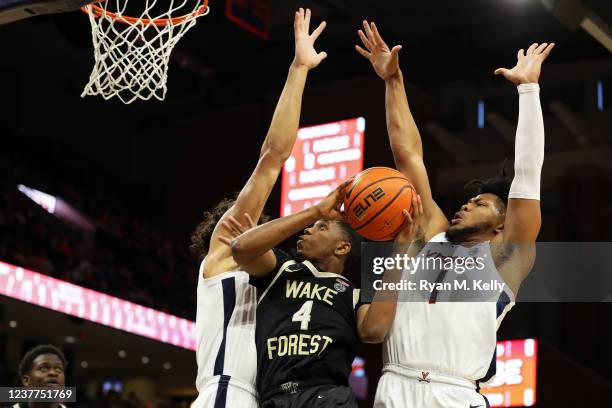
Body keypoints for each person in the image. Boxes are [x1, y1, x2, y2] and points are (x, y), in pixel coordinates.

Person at [355, 20, 553, 407]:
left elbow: (528, 173)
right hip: (395, 383)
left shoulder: (506, 258)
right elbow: (407, 154)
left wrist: (528, 89)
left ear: (500, 226)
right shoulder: (430, 233)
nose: (465, 205)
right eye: (467, 201)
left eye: (480, 204)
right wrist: (392, 82)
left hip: (456, 393)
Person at [189, 8, 329, 408]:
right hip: (225, 392)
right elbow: (273, 156)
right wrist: (299, 69)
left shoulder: (271, 278)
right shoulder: (224, 254)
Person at [230, 179, 425, 407]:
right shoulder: (281, 269)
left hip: (328, 396)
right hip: (274, 397)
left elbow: (374, 331)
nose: (308, 229)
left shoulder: (354, 294)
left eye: (321, 227)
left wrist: (400, 249)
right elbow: (240, 248)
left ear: (342, 247)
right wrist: (315, 212)